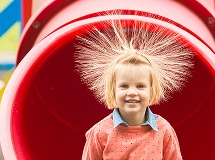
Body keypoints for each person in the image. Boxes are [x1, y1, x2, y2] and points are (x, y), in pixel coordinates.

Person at [75, 17, 193, 159]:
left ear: (152, 91)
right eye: (124, 86)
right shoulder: (100, 132)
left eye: (140, 86)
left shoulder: (163, 130)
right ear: (113, 91)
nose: (132, 92)